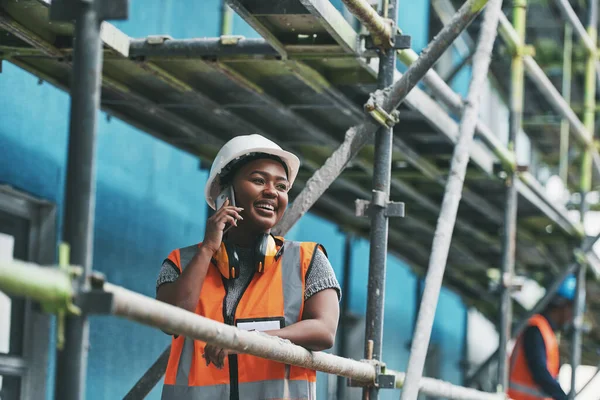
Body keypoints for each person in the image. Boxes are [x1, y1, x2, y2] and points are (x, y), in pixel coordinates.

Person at [155, 134, 341, 400]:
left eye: (282, 186)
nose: (272, 192)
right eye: (258, 180)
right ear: (225, 192)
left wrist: (249, 341)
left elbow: (324, 331)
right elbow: (171, 320)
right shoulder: (181, 262)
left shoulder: (308, 259)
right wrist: (208, 248)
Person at [507, 274, 578, 400]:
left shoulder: (547, 332)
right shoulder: (536, 328)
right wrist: (562, 397)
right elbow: (539, 371)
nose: (571, 317)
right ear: (562, 305)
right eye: (572, 310)